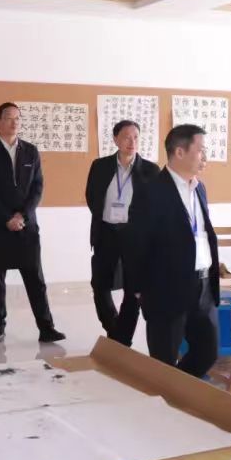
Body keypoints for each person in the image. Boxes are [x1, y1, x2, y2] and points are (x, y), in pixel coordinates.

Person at [129, 124, 220, 378]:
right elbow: (136, 243)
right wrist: (140, 289)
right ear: (179, 152)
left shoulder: (199, 188)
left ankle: (177, 388)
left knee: (208, 352)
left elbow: (200, 234)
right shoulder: (151, 191)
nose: (205, 156)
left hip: (202, 285)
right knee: (164, 359)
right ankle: (167, 393)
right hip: (165, 287)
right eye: (200, 150)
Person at [0, 102, 65, 345]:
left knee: (36, 278)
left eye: (18, 118)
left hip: (27, 225)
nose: (14, 122)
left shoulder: (31, 151)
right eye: (9, 118)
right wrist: (7, 218)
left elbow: (38, 188)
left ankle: (46, 328)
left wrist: (22, 216)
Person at [84, 120, 161, 345]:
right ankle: (114, 328)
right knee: (100, 284)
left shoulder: (150, 170)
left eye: (136, 137)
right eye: (127, 137)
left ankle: (122, 339)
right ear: (115, 139)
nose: (132, 142)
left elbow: (153, 206)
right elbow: (92, 196)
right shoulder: (100, 166)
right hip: (106, 232)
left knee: (133, 287)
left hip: (134, 236)